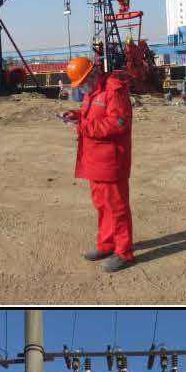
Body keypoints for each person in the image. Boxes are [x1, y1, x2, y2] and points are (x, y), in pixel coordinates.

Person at [62, 52, 135, 271]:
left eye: (83, 83)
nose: (82, 88)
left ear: (93, 74)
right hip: (95, 160)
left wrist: (82, 126)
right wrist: (76, 115)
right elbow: (92, 115)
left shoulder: (114, 91)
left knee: (117, 208)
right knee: (102, 205)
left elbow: (117, 124)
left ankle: (124, 252)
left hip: (111, 160)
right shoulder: (93, 92)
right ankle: (107, 244)